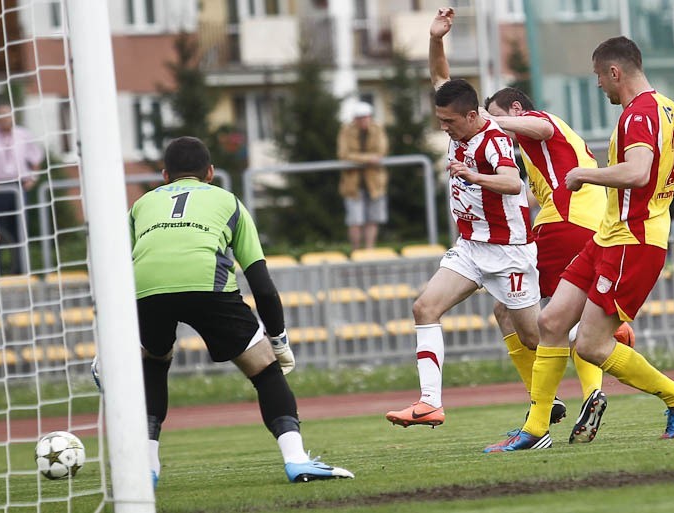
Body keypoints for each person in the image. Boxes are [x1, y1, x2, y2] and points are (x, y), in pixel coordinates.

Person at [485, 36, 674, 452]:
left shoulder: (639, 114)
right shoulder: (667, 108)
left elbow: (636, 173)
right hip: (608, 235)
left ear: (615, 72)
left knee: (591, 345)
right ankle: (536, 430)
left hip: (634, 240)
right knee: (552, 322)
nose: (598, 85)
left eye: (597, 76)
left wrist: (584, 175)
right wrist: (666, 190)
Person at [427, 8, 635, 438]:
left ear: (515, 108)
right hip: (580, 219)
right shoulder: (540, 133)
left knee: (545, 320)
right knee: (511, 311)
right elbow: (444, 87)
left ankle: (567, 392)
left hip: (566, 220)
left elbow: (534, 129)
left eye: (498, 115)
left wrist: (487, 122)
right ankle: (563, 392)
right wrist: (437, 42)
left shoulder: (539, 121)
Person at [128, 136, 354, 485]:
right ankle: (296, 460)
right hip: (207, 286)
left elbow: (116, 268)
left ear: (164, 175)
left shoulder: (141, 205)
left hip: (146, 288)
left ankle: (146, 469)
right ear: (211, 173)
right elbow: (261, 283)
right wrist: (277, 341)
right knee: (265, 371)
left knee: (153, 364)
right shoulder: (227, 201)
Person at [384, 9, 539, 428]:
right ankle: (429, 402)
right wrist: (436, 39)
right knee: (424, 307)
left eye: (449, 123)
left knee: (536, 336)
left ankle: (599, 338)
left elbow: (513, 185)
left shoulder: (493, 141)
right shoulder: (459, 117)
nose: (444, 128)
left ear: (472, 116)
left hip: (508, 252)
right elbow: (440, 78)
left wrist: (474, 175)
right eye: (440, 121)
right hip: (472, 248)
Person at [0, 103, 43, 274]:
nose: (4, 118)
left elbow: (36, 157)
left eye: (7, 114)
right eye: (0, 115)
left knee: (19, 229)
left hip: (18, 186)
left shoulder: (23, 135)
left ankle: (21, 271)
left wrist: (33, 178)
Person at [337, 101, 389, 250]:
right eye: (360, 117)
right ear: (355, 119)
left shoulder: (378, 129)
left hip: (375, 181)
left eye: (366, 117)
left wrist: (358, 158)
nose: (363, 120)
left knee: (373, 218)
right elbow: (343, 154)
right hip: (353, 182)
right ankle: (356, 250)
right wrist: (368, 159)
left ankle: (369, 250)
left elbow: (381, 151)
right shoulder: (346, 131)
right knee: (355, 220)